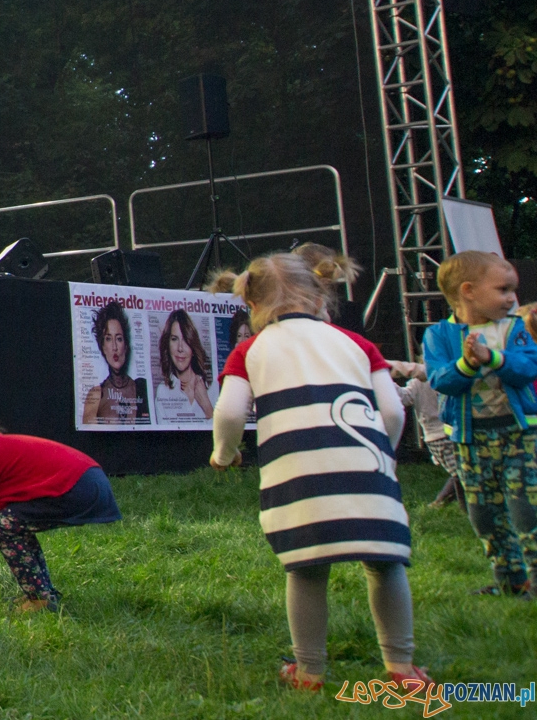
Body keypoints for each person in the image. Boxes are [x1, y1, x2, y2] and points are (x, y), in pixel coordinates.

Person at [211, 252, 424, 691]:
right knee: (385, 565)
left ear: (251, 305)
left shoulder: (249, 350)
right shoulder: (358, 344)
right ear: (320, 294)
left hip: (298, 481)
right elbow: (392, 410)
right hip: (370, 472)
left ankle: (309, 672)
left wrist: (223, 453)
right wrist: (387, 456)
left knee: (305, 571)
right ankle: (402, 667)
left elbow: (230, 412)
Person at [0, 396, 120, 613]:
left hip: (78, 485)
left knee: (3, 524)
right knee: (5, 522)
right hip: (90, 480)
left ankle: (40, 600)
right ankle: (44, 593)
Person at [424, 251, 537, 599]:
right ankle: (510, 580)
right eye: (503, 289)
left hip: (519, 435)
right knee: (483, 513)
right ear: (469, 291)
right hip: (471, 441)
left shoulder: (515, 328)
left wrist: (493, 358)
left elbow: (528, 368)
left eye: (512, 290)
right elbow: (441, 379)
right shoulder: (439, 335)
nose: (511, 298)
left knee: (527, 509)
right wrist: (468, 364)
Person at [391, 358, 464, 510]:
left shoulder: (428, 379)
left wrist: (388, 384)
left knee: (462, 472)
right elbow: (405, 397)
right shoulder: (422, 380)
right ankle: (440, 504)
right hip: (439, 435)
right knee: (461, 473)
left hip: (444, 434)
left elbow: (405, 397)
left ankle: (444, 504)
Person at [81, 300, 150, 425]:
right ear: (102, 347)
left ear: (126, 345)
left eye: (119, 339)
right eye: (108, 339)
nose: (114, 347)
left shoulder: (143, 388)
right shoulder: (96, 394)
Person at [156, 309, 214, 418]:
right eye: (174, 339)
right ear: (168, 346)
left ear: (193, 346)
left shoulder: (211, 387)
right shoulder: (163, 391)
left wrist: (207, 407)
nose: (180, 348)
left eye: (185, 340)